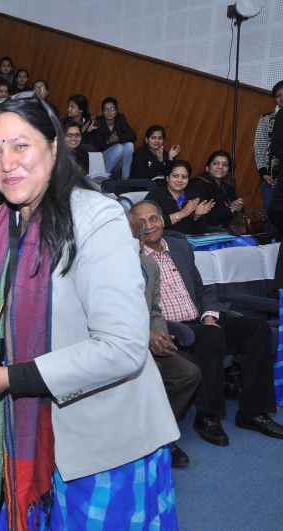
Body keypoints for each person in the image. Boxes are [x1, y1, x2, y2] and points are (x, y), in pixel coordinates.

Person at [0, 98, 179, 530]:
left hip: (101, 440)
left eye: (21, 146)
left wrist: (12, 377)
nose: (6, 162)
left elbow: (122, 347)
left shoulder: (97, 216)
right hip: (21, 431)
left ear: (54, 147)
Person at [131, 200, 283, 446]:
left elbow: (203, 289)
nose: (148, 226)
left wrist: (209, 314)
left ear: (162, 220)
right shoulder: (131, 258)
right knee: (211, 336)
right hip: (170, 327)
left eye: (153, 218)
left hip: (199, 319)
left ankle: (253, 412)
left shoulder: (180, 247)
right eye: (141, 222)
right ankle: (208, 417)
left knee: (257, 328)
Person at [127, 209, 201, 469]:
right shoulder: (104, 269)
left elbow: (155, 310)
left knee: (188, 374)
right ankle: (149, 437)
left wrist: (160, 334)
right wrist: (145, 335)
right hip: (121, 343)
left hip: (149, 338)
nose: (138, 240)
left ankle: (161, 432)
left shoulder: (149, 265)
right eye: (133, 235)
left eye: (139, 236)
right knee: (148, 377)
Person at [144, 160, 212, 234]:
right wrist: (182, 213)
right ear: (167, 178)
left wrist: (197, 216)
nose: (180, 180)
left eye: (184, 177)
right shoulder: (155, 195)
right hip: (164, 238)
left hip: (189, 238)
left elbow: (201, 231)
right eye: (175, 176)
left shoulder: (193, 196)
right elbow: (148, 224)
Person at [188, 150, 243, 230]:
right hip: (204, 231)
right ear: (207, 168)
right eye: (215, 163)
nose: (220, 167)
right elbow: (207, 218)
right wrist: (231, 209)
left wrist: (239, 206)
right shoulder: (197, 185)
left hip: (227, 230)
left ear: (228, 170)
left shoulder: (228, 188)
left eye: (225, 165)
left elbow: (237, 209)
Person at [90, 97, 136, 179]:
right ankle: (102, 177)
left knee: (130, 145)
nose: (109, 112)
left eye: (112, 109)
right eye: (106, 109)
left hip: (117, 159)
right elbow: (98, 146)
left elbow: (132, 135)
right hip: (103, 158)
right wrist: (109, 141)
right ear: (103, 112)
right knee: (119, 147)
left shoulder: (120, 119)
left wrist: (118, 138)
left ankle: (125, 177)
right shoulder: (98, 122)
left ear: (116, 111)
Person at [254, 80, 282, 210]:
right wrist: (264, 173)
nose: (282, 98)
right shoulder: (266, 119)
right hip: (271, 177)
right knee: (272, 215)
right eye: (278, 95)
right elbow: (259, 147)